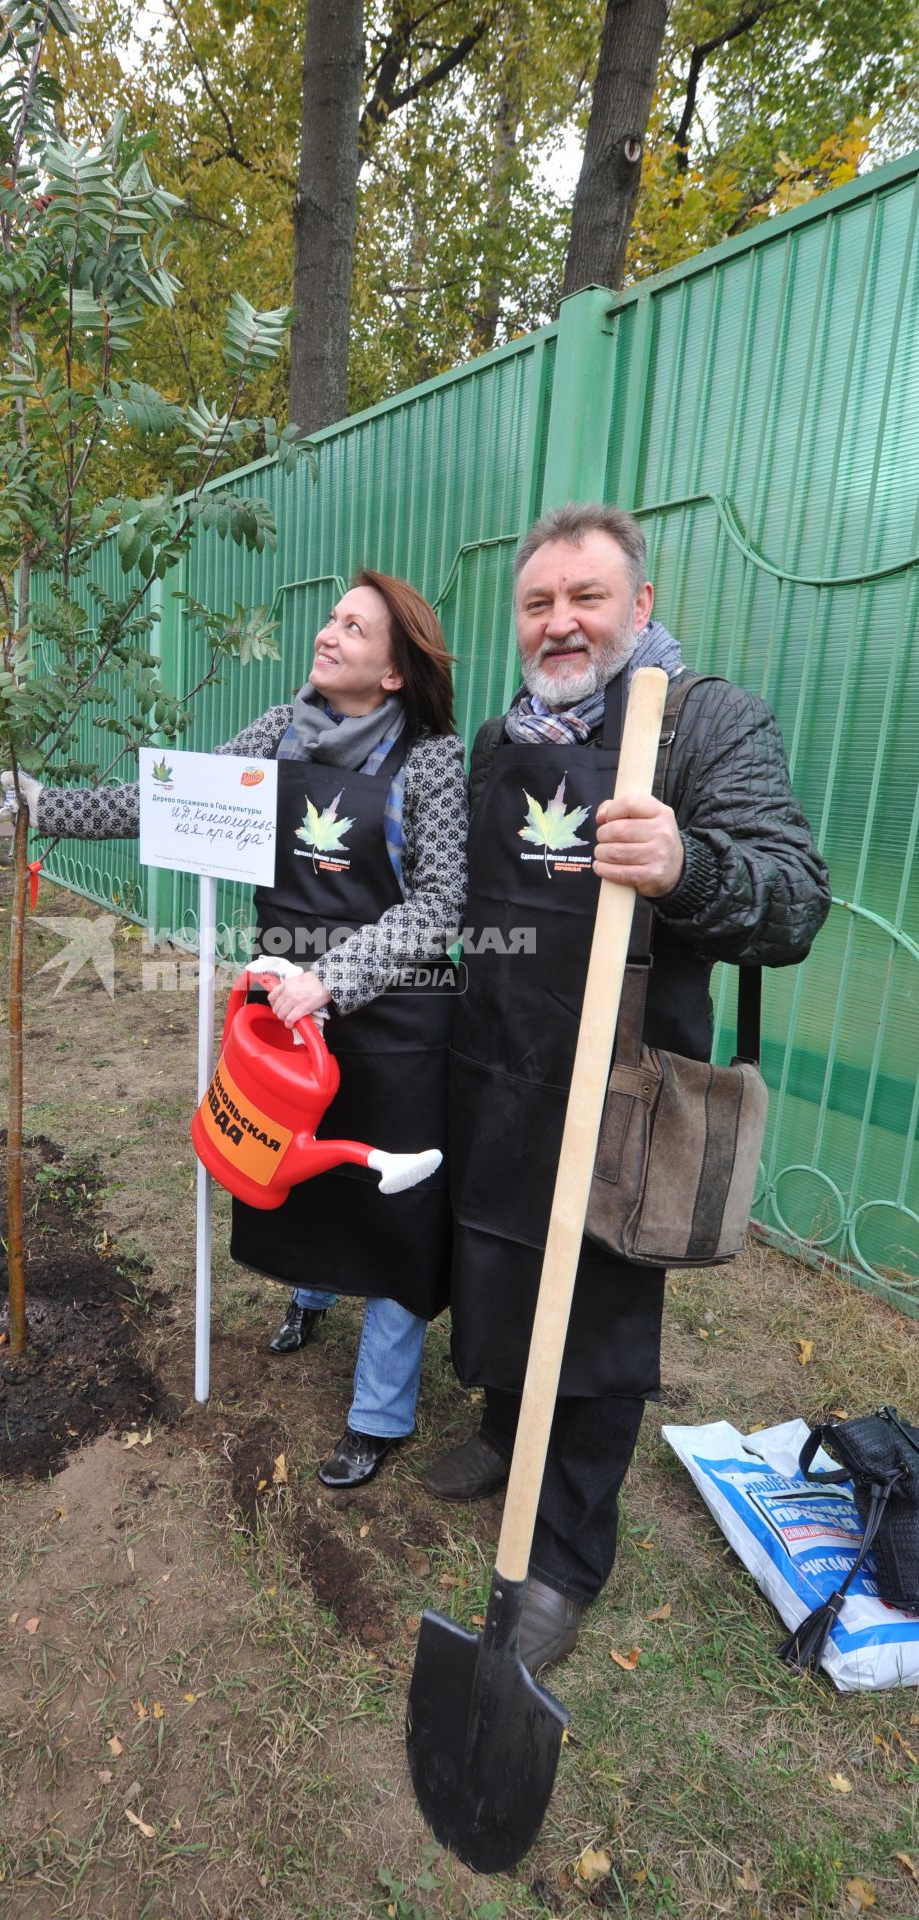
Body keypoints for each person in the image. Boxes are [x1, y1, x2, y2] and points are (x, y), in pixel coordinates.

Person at [427, 502, 830, 1674]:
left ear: (638, 606)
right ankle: (507, 1427)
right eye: (537, 605)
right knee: (497, 1257)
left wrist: (685, 864)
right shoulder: (502, 744)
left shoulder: (703, 724)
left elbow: (792, 897)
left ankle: (560, 1560)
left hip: (622, 1082)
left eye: (585, 599)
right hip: (499, 1056)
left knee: (597, 1312)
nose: (559, 624)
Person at [8, 570, 468, 1488]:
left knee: (393, 1208)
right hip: (285, 1015)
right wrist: (43, 803)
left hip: (396, 1018)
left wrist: (333, 979)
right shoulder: (282, 728)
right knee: (295, 1170)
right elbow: (173, 799)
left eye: (353, 627)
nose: (327, 634)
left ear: (390, 673)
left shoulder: (431, 761)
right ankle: (310, 1294)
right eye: (331, 618)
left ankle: (378, 1414)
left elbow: (444, 901)